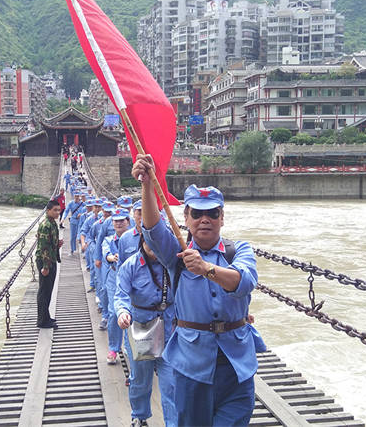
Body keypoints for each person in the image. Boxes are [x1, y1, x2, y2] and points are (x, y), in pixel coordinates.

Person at [132, 154, 265, 427]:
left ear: (222, 218)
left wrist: (206, 269)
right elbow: (153, 230)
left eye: (212, 213)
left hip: (236, 363)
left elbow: (244, 282)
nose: (205, 219)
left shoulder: (238, 250)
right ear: (186, 217)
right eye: (197, 213)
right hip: (191, 364)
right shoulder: (176, 256)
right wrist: (147, 185)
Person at [116, 236, 177, 427]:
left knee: (171, 381)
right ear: (142, 242)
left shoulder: (174, 262)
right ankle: (139, 414)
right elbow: (121, 294)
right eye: (149, 243)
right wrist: (123, 312)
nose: (154, 248)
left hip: (170, 329)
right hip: (142, 330)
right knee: (141, 379)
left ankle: (173, 423)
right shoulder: (130, 266)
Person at [101, 208, 130, 365]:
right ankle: (113, 348)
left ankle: (128, 345)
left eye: (121, 220)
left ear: (128, 221)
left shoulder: (135, 238)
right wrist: (112, 257)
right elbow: (107, 254)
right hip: (114, 277)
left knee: (131, 312)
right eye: (116, 221)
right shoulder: (108, 240)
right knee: (113, 312)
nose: (118, 223)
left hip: (132, 278)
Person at [36, 200, 63, 329]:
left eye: (59, 210)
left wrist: (57, 244)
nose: (58, 212)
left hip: (51, 259)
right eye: (55, 210)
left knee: (48, 290)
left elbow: (50, 243)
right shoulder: (46, 225)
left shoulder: (52, 223)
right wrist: (45, 267)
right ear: (48, 211)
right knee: (44, 291)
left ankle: (46, 317)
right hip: (45, 261)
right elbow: (44, 248)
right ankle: (42, 321)